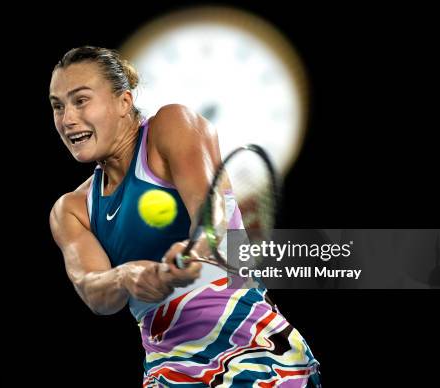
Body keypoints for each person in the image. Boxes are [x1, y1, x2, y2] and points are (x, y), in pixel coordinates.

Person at [49, 46, 320, 387]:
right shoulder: (71, 210)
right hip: (170, 373)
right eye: (57, 106)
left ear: (124, 102)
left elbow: (212, 213)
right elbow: (93, 292)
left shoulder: (172, 125)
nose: (67, 118)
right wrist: (125, 276)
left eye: (81, 100)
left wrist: (196, 247)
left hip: (257, 354)